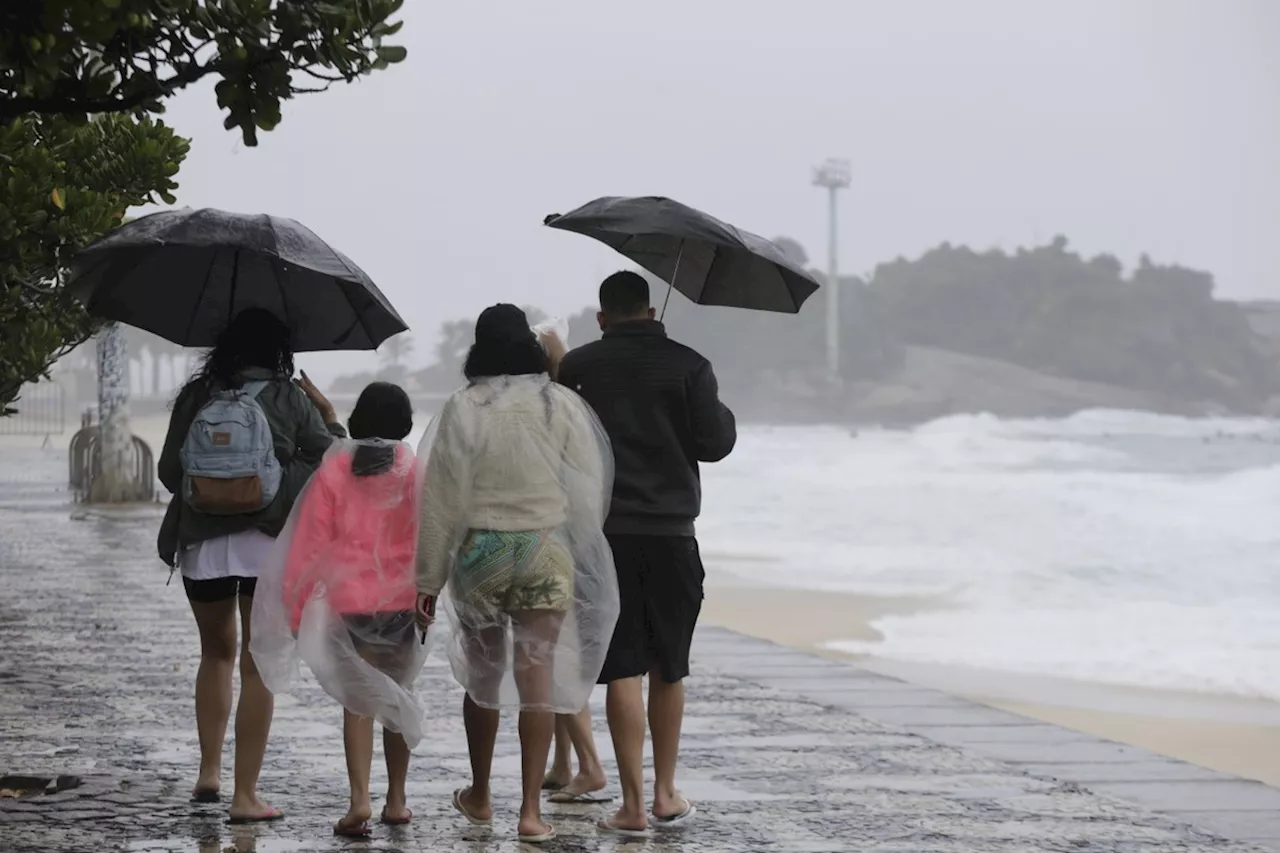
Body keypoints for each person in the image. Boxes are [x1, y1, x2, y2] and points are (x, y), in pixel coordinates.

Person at [414, 304, 618, 844]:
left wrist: (428, 580)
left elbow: (441, 499)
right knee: (537, 679)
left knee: (483, 680)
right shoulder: (560, 404)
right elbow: (587, 489)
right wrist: (569, 547)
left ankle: (480, 794)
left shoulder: (464, 406)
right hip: (544, 550)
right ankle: (530, 812)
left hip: (480, 553)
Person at [557, 271, 737, 836]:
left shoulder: (580, 367)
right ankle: (664, 793)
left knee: (622, 670)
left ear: (603, 316)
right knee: (668, 666)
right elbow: (715, 443)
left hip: (604, 536)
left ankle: (631, 806)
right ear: (652, 312)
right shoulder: (689, 365)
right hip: (672, 535)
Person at [158, 307, 345, 823]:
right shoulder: (290, 397)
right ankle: (245, 797)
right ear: (278, 351)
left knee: (215, 654)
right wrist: (321, 426)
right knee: (258, 666)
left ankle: (209, 774)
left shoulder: (198, 396)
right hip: (269, 547)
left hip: (202, 546)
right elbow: (329, 463)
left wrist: (215, 486)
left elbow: (170, 471)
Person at [249, 382, 424, 839]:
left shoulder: (334, 470)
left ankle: (359, 799)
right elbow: (431, 532)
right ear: (404, 425)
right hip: (402, 602)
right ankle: (397, 800)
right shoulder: (413, 469)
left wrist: (294, 605)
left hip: (349, 604)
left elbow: (308, 544)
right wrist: (432, 593)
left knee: (358, 701)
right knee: (399, 694)